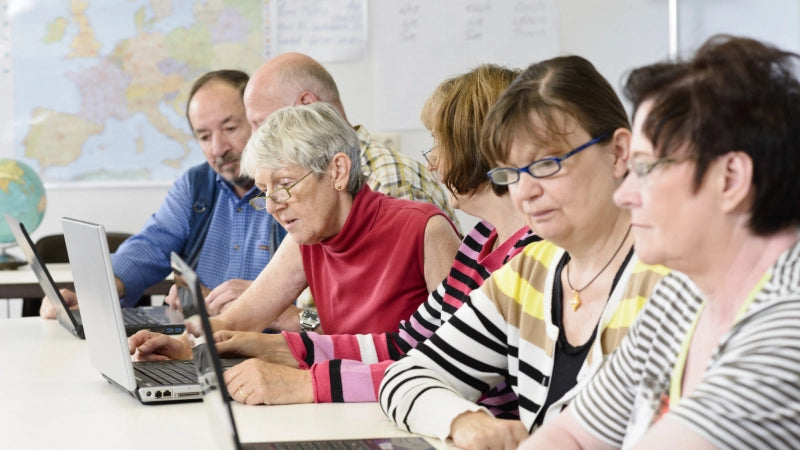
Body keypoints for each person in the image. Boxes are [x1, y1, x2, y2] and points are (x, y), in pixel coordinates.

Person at [522, 36, 800, 450]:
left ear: (731, 179)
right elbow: (570, 434)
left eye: (646, 167)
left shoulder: (787, 329)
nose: (624, 193)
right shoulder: (683, 292)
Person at [378, 55, 669, 450]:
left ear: (619, 153)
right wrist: (463, 420)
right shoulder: (528, 273)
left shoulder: (673, 280)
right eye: (510, 173)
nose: (525, 192)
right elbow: (405, 377)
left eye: (547, 164)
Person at [207, 64, 540, 407]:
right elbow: (404, 344)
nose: (432, 163)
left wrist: (305, 382)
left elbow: (445, 370)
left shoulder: (532, 255)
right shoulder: (479, 242)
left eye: (440, 144)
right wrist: (283, 348)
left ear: (482, 146)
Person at [130, 102, 461, 357]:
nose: (272, 206)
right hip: (345, 399)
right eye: (265, 190)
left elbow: (458, 357)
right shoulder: (307, 238)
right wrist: (181, 344)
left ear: (338, 171)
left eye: (284, 184)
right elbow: (236, 321)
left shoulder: (425, 231)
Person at [39, 70, 287, 318]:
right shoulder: (195, 185)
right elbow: (152, 245)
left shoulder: (292, 190)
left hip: (276, 344)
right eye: (204, 136)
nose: (218, 148)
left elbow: (312, 314)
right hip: (201, 342)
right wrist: (94, 295)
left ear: (258, 123)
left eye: (230, 128)